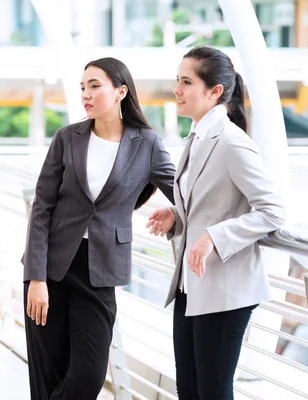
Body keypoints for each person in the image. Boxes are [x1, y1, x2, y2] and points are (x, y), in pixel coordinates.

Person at [22, 57, 176, 400]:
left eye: (94, 86)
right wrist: (36, 278)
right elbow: (42, 207)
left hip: (100, 270)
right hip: (51, 268)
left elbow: (186, 192)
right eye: (82, 88)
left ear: (121, 91)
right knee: (48, 376)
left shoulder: (146, 143)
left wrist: (176, 214)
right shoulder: (68, 138)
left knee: (87, 378)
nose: (86, 95)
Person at [146, 46, 287, 399]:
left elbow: (272, 210)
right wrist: (178, 217)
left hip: (226, 291)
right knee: (189, 390)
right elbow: (211, 201)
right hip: (191, 286)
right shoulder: (197, 138)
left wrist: (214, 236)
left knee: (213, 391)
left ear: (215, 91)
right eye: (177, 81)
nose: (176, 90)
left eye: (186, 82)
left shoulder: (232, 143)